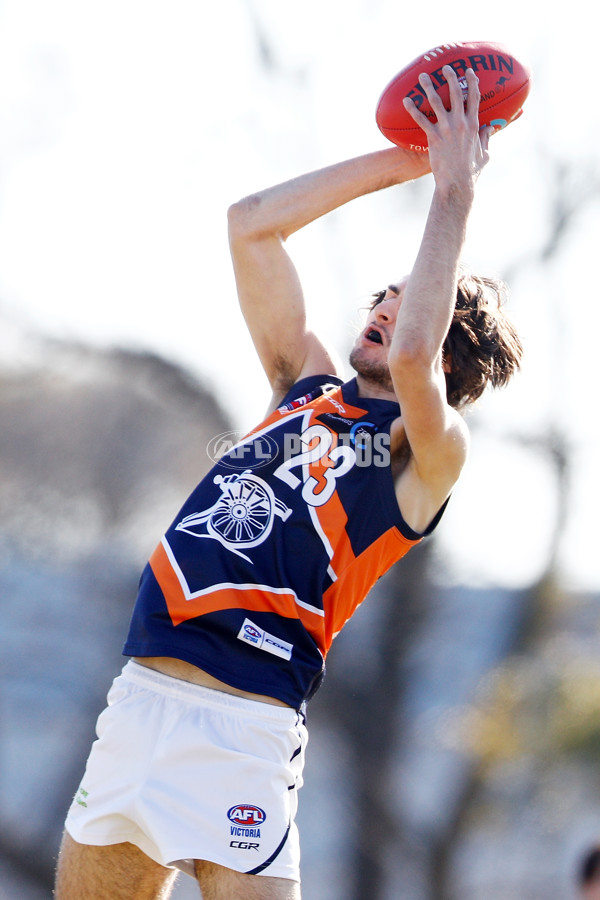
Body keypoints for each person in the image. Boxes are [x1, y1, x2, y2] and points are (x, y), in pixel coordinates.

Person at [54, 66, 523, 900]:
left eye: (409, 300)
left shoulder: (429, 453)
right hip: (140, 699)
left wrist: (457, 194)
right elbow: (251, 227)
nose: (382, 307)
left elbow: (414, 357)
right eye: (383, 295)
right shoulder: (301, 386)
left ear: (450, 349)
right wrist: (411, 159)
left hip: (247, 729)